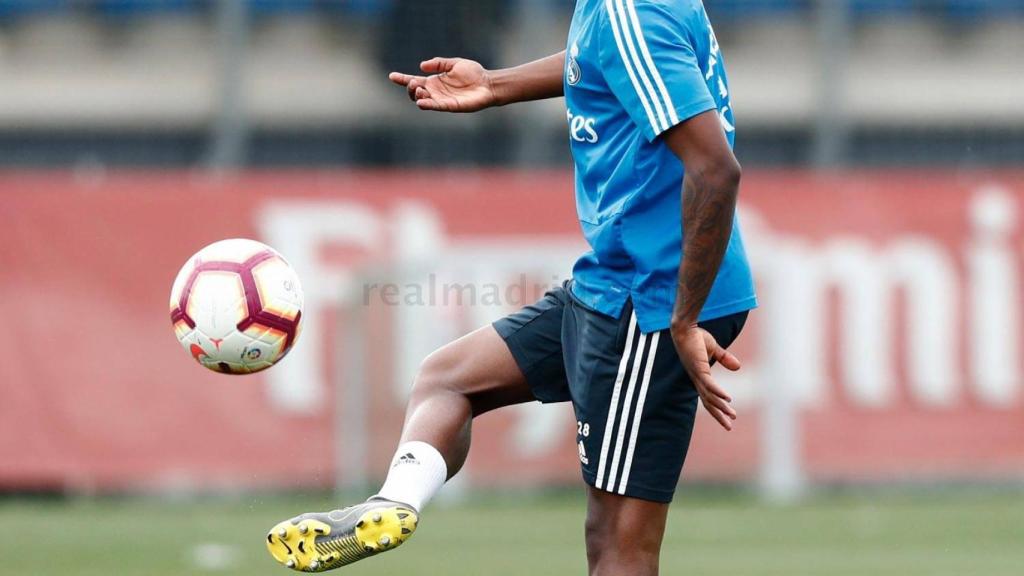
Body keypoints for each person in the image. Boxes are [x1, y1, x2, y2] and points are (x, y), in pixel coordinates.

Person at [265, 0, 756, 573]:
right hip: (612, 281)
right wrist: (495, 85)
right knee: (448, 378)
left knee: (618, 544)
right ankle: (393, 503)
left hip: (649, 300)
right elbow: (598, 61)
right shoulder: (622, 10)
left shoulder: (631, 10)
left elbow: (716, 170)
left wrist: (682, 317)